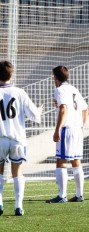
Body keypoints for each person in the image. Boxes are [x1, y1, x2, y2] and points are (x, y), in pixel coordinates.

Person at [0, 60, 43, 215]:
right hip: (17, 139)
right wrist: (39, 110)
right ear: (12, 74)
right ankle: (18, 206)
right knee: (17, 172)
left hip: (0, 139)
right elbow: (34, 115)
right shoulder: (19, 92)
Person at [46, 66, 88, 203]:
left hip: (67, 129)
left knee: (61, 161)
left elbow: (63, 108)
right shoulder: (74, 89)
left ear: (56, 78)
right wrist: (81, 125)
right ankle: (80, 195)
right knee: (76, 161)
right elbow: (85, 109)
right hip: (77, 129)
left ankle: (62, 195)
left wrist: (57, 129)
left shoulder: (59, 89)